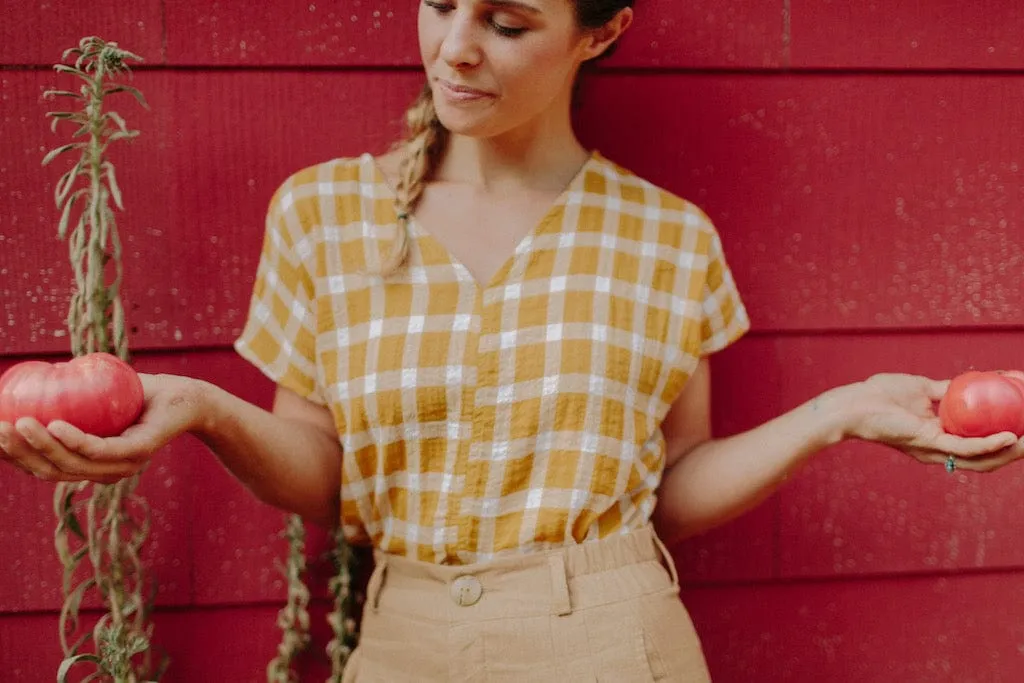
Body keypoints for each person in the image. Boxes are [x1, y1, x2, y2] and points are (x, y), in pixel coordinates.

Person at [2, 1, 1023, 680]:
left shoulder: (668, 238)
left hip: (613, 646)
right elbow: (327, 474)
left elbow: (669, 488)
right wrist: (201, 410)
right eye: (440, 3)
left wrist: (839, 414)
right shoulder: (323, 214)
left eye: (506, 21)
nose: (456, 47)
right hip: (399, 643)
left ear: (599, 31)